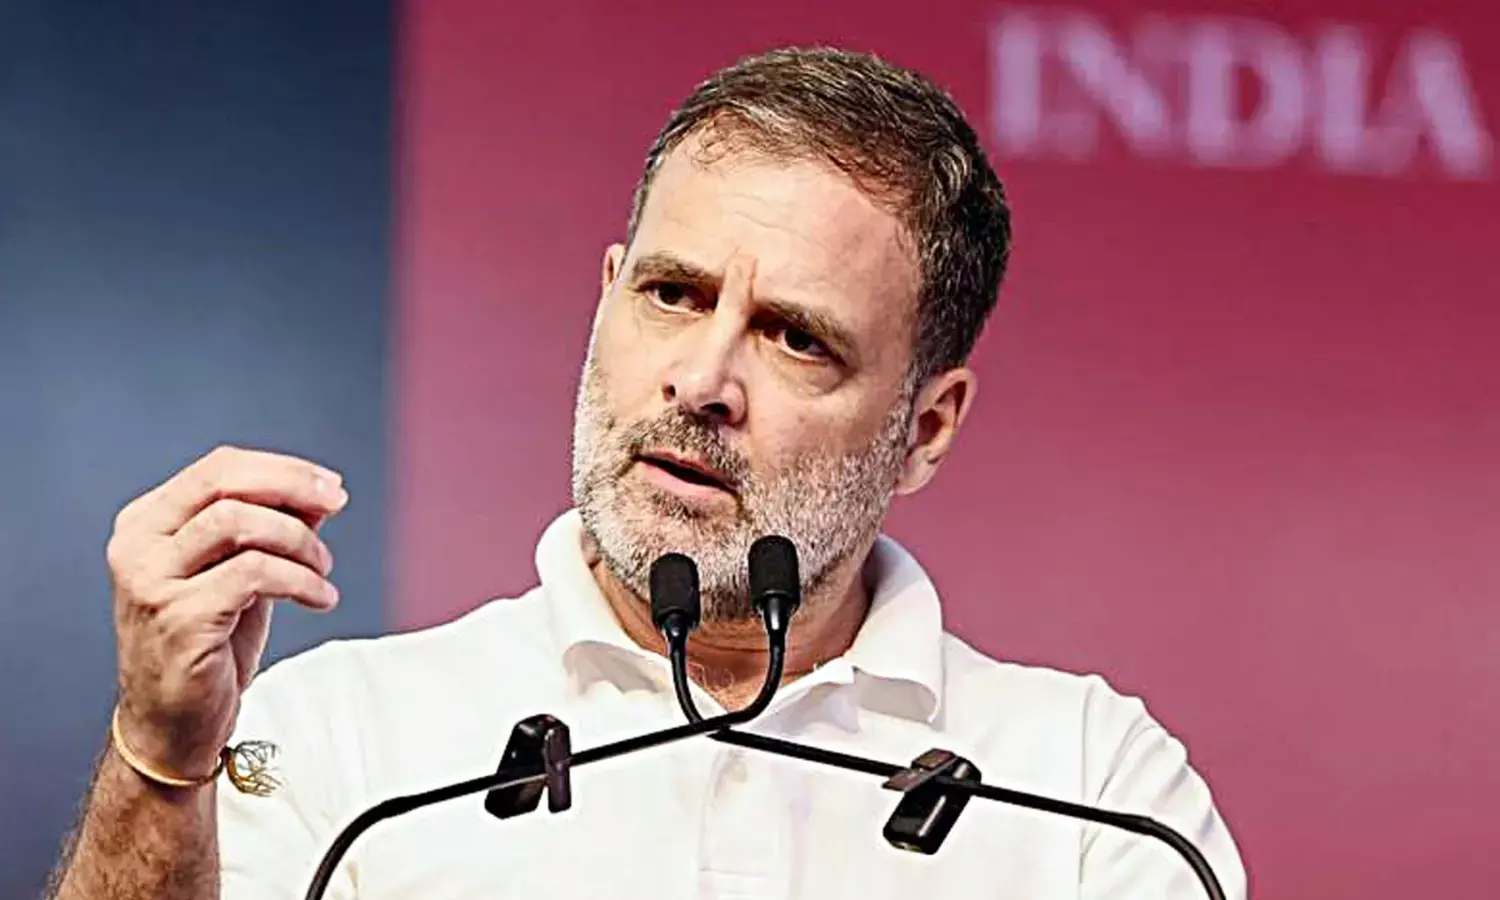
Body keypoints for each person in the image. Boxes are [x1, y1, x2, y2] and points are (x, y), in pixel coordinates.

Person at [48, 47, 1246, 900]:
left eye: (796, 338)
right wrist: (161, 767)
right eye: (672, 294)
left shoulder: (1089, 791)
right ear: (606, 294)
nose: (702, 379)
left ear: (926, 428)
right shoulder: (345, 745)